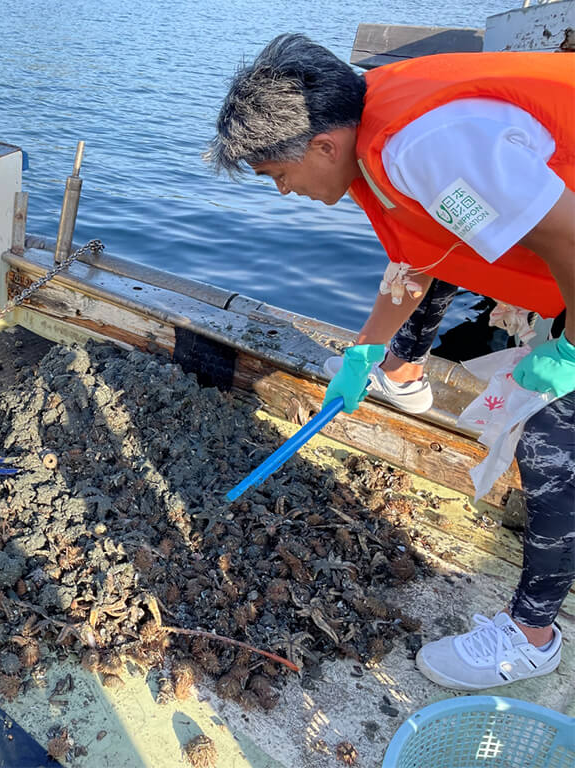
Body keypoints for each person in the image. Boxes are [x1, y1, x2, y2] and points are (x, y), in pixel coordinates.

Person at [206, 34, 574, 691]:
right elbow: (422, 257)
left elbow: (568, 235)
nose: (285, 192)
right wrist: (367, 355)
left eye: (277, 176)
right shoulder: (375, 134)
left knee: (551, 436)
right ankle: (406, 372)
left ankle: (532, 638)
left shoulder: (425, 149)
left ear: (322, 146)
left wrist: (570, 354)